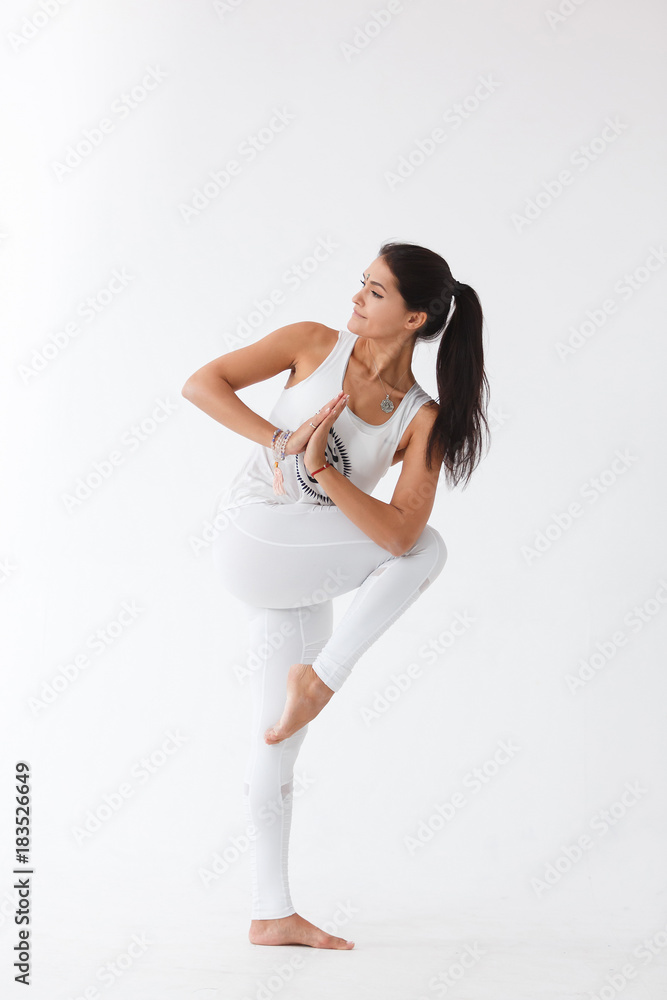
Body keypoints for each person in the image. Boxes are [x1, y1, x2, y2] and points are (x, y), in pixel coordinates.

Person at [181, 240, 490, 950]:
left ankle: (271, 913)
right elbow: (201, 384)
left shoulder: (420, 417)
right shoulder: (312, 343)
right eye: (362, 283)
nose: (356, 297)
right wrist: (284, 441)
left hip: (307, 565)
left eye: (375, 292)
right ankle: (322, 681)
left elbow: (396, 530)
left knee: (277, 738)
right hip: (254, 532)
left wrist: (324, 469)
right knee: (430, 550)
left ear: (414, 319)